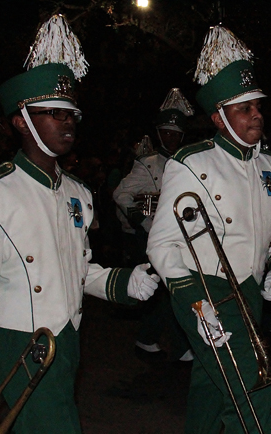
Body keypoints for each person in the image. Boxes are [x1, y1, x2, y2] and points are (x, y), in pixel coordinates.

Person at [0, 18, 160, 434]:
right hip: (19, 341)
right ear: (20, 120)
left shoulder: (78, 194)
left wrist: (121, 282)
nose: (67, 124)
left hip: (65, 339)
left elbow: (77, 269)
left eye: (71, 115)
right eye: (52, 114)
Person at [147, 26, 271, 434]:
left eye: (257, 106)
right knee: (253, 393)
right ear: (218, 116)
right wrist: (198, 309)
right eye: (244, 107)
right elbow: (163, 247)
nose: (256, 114)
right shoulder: (192, 164)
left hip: (248, 291)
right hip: (202, 291)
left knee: (212, 387)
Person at [113, 88, 194, 363]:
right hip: (151, 237)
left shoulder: (188, 162)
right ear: (159, 133)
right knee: (168, 291)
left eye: (176, 133)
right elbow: (120, 194)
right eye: (166, 132)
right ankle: (176, 345)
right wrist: (145, 222)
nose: (171, 138)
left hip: (182, 235)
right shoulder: (146, 165)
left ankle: (148, 338)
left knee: (173, 290)